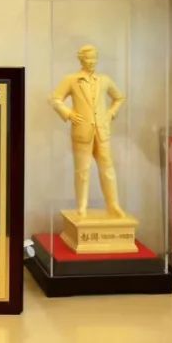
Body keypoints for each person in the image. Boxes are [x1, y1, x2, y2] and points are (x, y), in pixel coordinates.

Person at [49, 44, 126, 218]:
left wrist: (110, 114)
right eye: (88, 58)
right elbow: (54, 99)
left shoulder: (104, 80)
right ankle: (82, 206)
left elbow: (119, 97)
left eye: (94, 58)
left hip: (102, 132)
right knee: (82, 171)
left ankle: (113, 205)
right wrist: (69, 114)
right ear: (81, 59)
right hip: (82, 131)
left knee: (107, 168)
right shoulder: (71, 80)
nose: (91, 61)